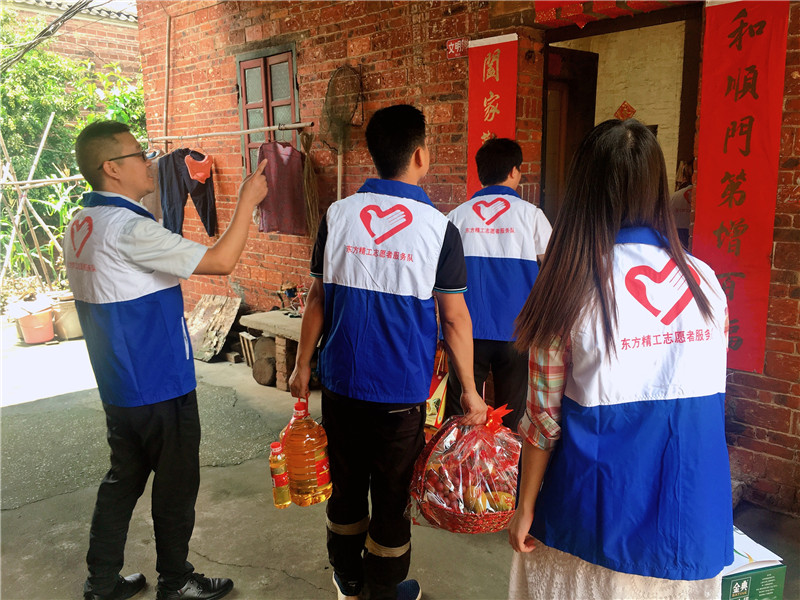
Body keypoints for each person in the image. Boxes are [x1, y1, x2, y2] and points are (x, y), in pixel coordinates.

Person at [507, 119, 732, 600]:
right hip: (691, 518)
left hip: (594, 521)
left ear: (583, 190)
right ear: (657, 189)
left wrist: (525, 507)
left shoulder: (568, 286)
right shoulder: (707, 283)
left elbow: (544, 420)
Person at [289, 104, 487, 600]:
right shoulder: (439, 229)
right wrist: (469, 390)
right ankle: (384, 589)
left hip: (340, 385)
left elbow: (316, 299)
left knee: (346, 484)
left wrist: (301, 365)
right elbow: (454, 318)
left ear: (373, 154)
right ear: (420, 155)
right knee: (393, 495)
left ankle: (348, 579)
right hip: (400, 395)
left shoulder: (337, 216)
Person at [66, 120, 268, 600]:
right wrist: (246, 202)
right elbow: (220, 261)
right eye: (140, 155)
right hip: (159, 382)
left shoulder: (82, 223)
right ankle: (176, 582)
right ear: (112, 168)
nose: (150, 162)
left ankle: (101, 583)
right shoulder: (129, 228)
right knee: (176, 487)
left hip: (120, 384)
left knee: (123, 479)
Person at [444, 138, 551, 430]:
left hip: (465, 331)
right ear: (515, 171)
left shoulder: (456, 217)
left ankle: (458, 459)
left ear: (480, 173)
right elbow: (553, 271)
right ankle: (507, 460)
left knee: (461, 414)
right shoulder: (532, 216)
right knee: (511, 417)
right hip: (517, 331)